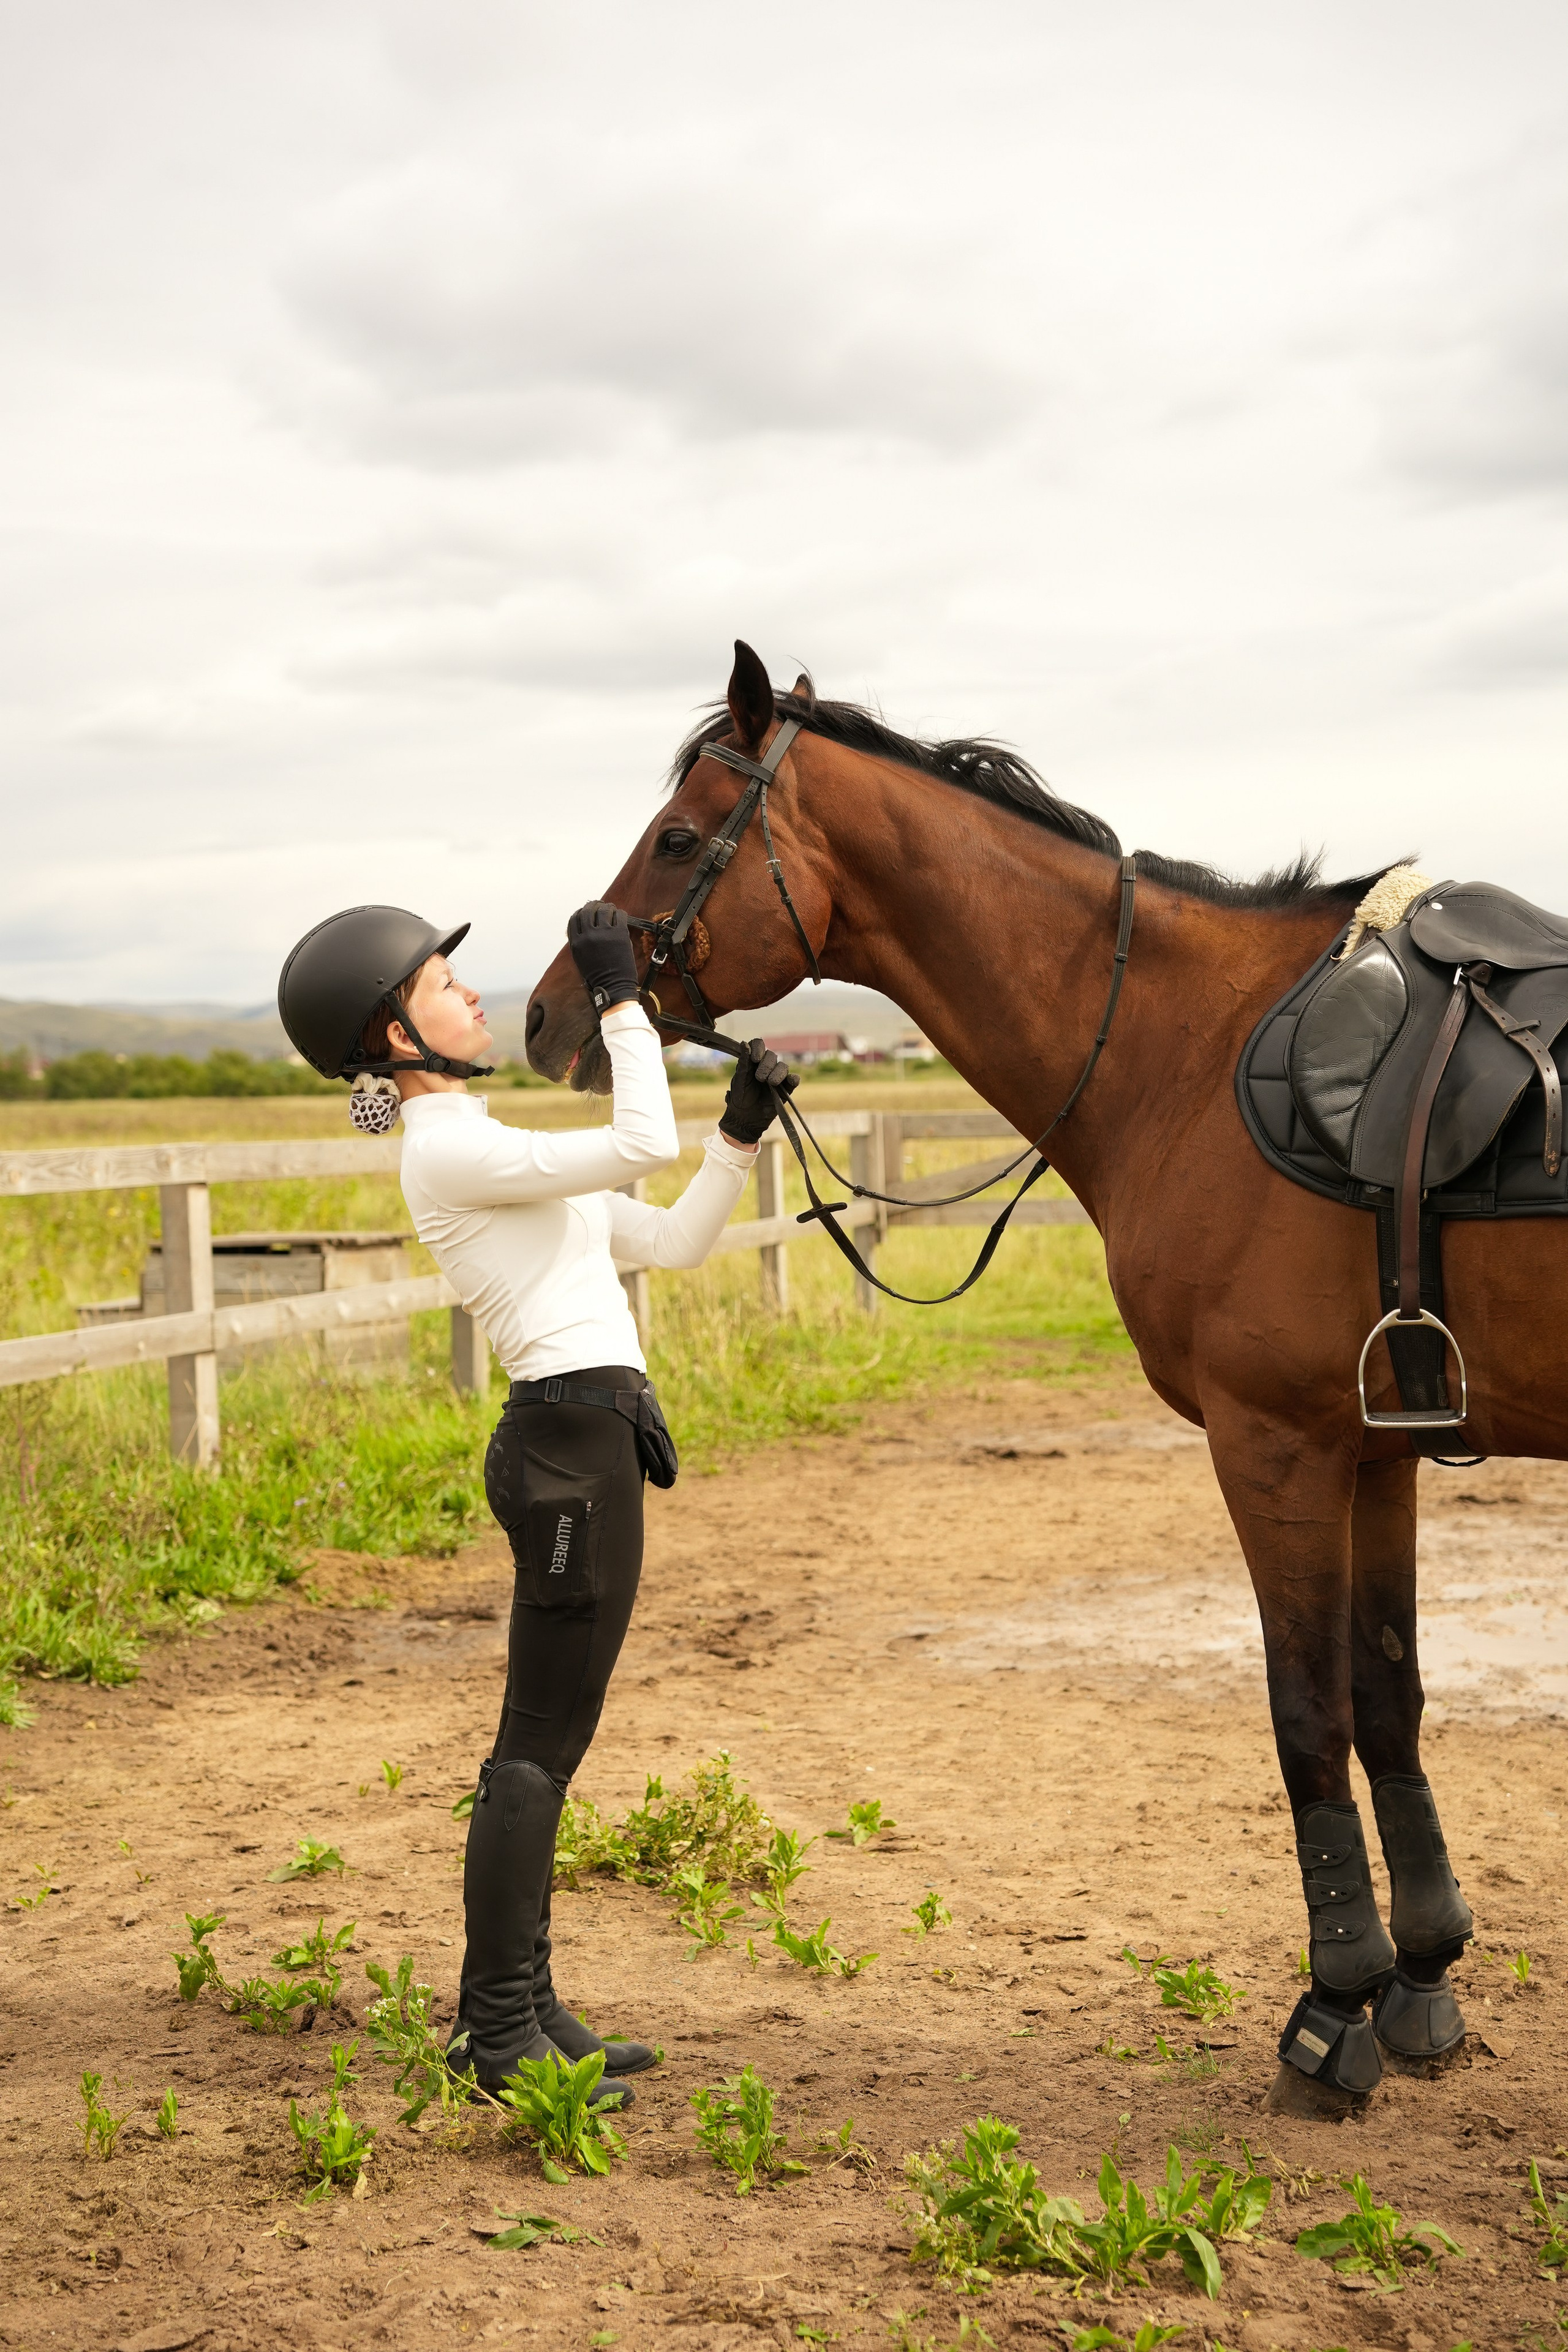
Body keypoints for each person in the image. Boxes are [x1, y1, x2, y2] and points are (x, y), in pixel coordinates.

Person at [277, 900, 793, 2102]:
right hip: (564, 1447)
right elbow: (629, 1145)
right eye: (441, 981)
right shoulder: (447, 1145)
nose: (468, 995)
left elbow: (666, 1241)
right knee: (532, 1751)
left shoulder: (486, 1141)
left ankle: (531, 2007)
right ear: (391, 1030)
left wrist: (740, 1135)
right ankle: (494, 2030)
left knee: (549, 1750)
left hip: (587, 1443)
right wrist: (620, 1002)